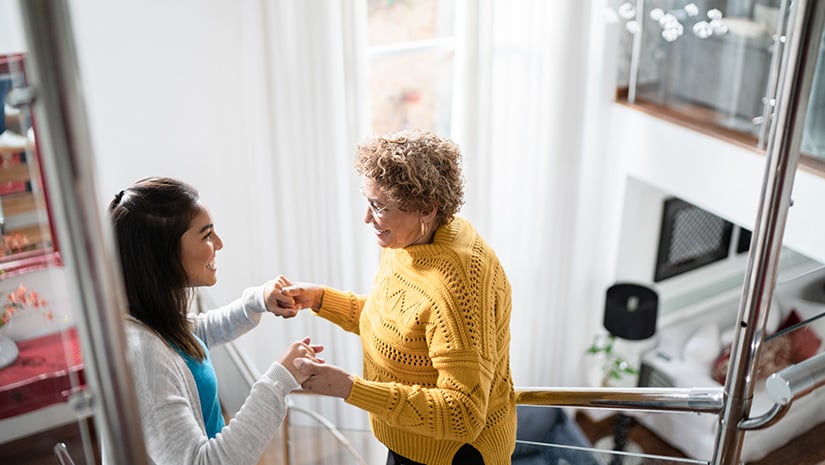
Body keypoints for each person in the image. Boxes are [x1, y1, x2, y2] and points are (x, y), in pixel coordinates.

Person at [275, 129, 517, 465]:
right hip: (412, 439)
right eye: (368, 201)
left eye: (379, 206)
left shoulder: (458, 285)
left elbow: (463, 413)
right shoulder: (411, 242)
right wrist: (319, 299)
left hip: (450, 455)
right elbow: (396, 323)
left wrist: (350, 388)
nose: (366, 217)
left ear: (426, 209)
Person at [109, 176, 322, 465]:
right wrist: (278, 380)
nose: (219, 244)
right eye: (207, 235)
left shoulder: (153, 321)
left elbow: (198, 332)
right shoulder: (145, 357)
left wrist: (259, 300)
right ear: (164, 253)